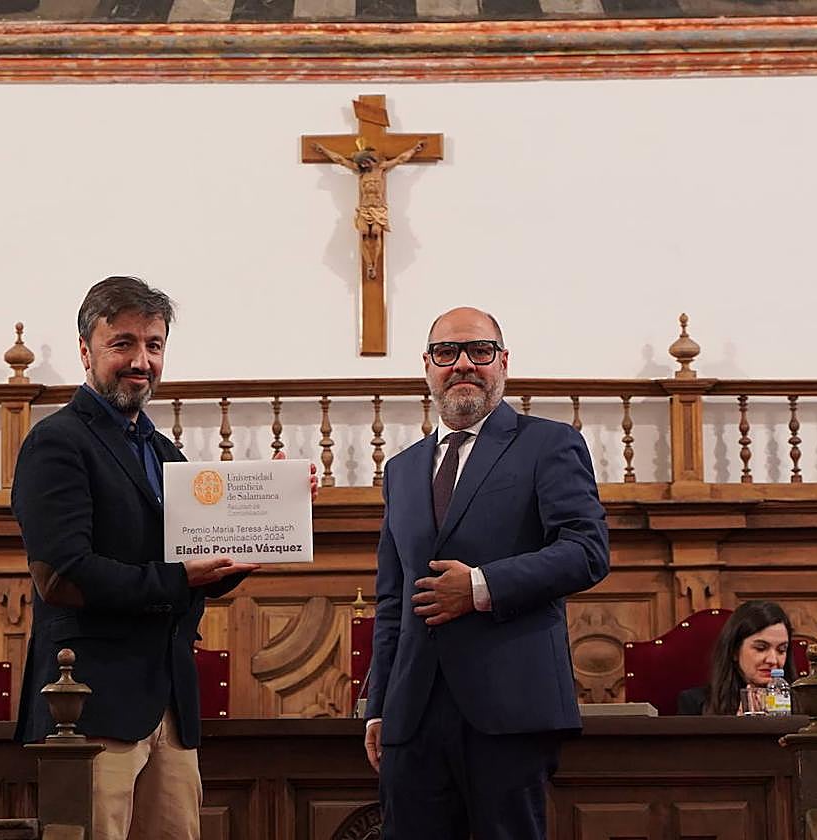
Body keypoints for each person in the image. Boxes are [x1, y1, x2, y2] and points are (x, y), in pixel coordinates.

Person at [11, 276, 260, 840]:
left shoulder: (164, 451)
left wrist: (261, 534)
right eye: (122, 343)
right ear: (85, 350)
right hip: (88, 705)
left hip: (167, 704)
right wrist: (180, 578)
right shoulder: (57, 442)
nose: (140, 360)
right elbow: (63, 576)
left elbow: (190, 563)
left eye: (153, 345)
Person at [364, 306, 610, 840]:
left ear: (503, 362)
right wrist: (379, 706)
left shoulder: (548, 443)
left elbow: (587, 550)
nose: (463, 366)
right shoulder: (401, 470)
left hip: (510, 708)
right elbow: (392, 599)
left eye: (479, 352)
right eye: (447, 353)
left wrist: (480, 587)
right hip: (414, 715)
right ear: (427, 366)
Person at [312, 139, 426, 279]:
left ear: (371, 159)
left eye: (367, 161)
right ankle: (369, 265)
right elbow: (339, 159)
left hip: (378, 209)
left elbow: (401, 159)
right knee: (364, 233)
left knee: (377, 233)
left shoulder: (381, 168)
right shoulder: (360, 172)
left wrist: (415, 149)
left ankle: (375, 262)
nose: (365, 164)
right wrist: (323, 149)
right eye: (362, 163)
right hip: (364, 209)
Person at [677, 600, 796, 716]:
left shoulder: (805, 700)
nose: (773, 660)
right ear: (734, 650)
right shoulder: (693, 703)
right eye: (761, 648)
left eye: (781, 650)